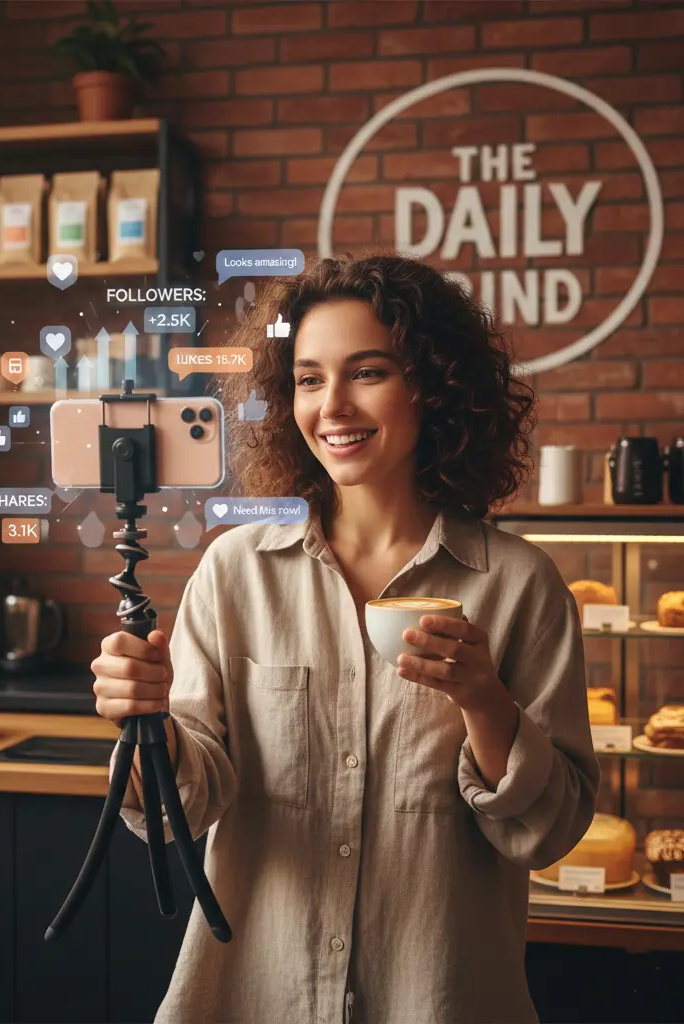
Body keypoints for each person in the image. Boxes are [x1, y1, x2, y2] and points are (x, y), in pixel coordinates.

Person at [91, 254, 599, 1024]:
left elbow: (550, 831)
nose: (333, 405)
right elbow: (181, 809)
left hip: (439, 999)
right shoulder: (235, 573)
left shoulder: (521, 587)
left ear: (433, 384)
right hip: (249, 997)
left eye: (367, 372)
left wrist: (485, 703)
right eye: (307, 378)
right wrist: (147, 724)